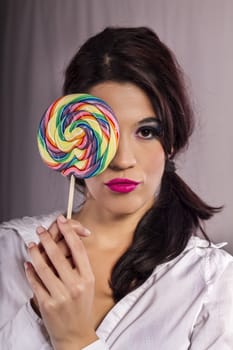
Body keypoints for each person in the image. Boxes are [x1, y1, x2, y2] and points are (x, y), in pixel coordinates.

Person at [0, 26, 233, 350]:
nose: (123, 160)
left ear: (171, 141)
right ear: (72, 134)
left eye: (147, 131)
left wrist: (75, 339)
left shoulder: (210, 282)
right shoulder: (6, 253)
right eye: (101, 132)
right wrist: (37, 310)